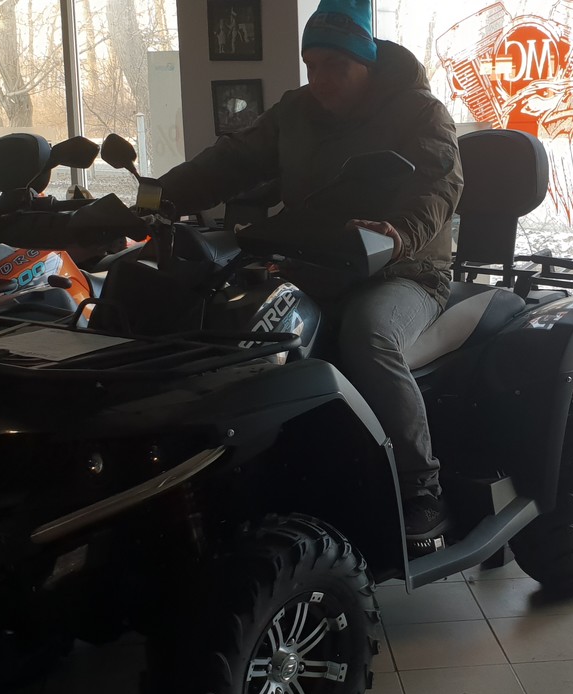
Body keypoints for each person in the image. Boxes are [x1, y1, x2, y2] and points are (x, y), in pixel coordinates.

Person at [159, 0, 464, 554]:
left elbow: (438, 187)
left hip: (404, 271)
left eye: (335, 66)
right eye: (312, 65)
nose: (320, 79)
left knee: (368, 337)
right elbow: (230, 161)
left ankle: (421, 488)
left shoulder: (420, 112)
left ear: (366, 63)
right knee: (231, 325)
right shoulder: (295, 112)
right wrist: (157, 198)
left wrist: (398, 234)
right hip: (314, 263)